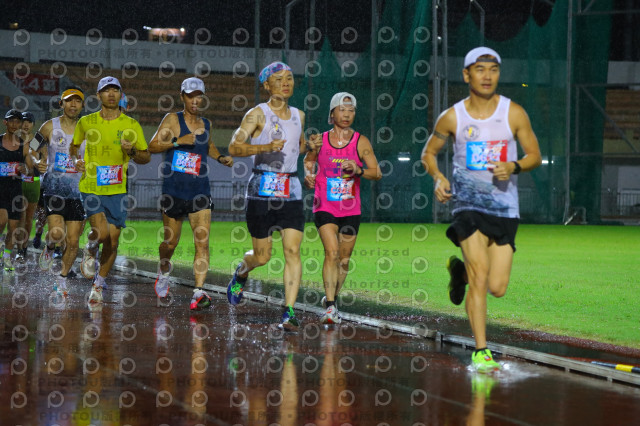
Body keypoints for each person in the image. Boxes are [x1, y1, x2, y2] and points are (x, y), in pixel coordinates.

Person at [421, 47, 541, 372]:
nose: (487, 76)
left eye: (493, 69)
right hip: (467, 206)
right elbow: (428, 153)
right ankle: (481, 351)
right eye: (480, 69)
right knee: (480, 276)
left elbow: (534, 155)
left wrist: (513, 166)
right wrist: (438, 177)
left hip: (503, 208)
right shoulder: (453, 117)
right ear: (466, 74)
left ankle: (458, 272)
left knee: (497, 287)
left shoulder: (514, 113)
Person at [226, 61, 320, 330]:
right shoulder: (257, 114)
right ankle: (241, 272)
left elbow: (297, 148)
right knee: (262, 256)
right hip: (261, 189)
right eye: (278, 79)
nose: (286, 83)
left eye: (289, 78)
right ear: (266, 85)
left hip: (291, 189)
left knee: (292, 250)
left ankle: (289, 311)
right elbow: (234, 147)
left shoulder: (299, 115)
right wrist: (265, 146)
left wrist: (309, 148)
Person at [148, 77, 233, 310]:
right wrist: (177, 141)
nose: (194, 100)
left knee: (202, 242)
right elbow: (152, 146)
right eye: (190, 96)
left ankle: (198, 291)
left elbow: (208, 145)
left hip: (200, 191)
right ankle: (163, 269)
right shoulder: (172, 119)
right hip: (174, 191)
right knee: (170, 243)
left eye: (198, 96)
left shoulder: (206, 123)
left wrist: (220, 157)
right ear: (182, 97)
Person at [70, 76, 150, 305]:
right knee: (102, 233)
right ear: (99, 95)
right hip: (91, 186)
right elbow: (74, 146)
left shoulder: (131, 125)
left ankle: (98, 284)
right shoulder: (86, 122)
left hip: (117, 189)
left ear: (120, 94)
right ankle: (91, 246)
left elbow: (145, 156)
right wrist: (75, 160)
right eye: (106, 90)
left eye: (115, 90)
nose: (111, 94)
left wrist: (132, 151)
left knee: (113, 242)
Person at [303, 92, 381, 324]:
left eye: (351, 110)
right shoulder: (320, 139)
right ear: (332, 113)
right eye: (342, 109)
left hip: (350, 208)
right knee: (332, 252)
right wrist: (309, 175)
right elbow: (309, 160)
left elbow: (376, 172)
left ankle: (332, 300)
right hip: (324, 205)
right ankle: (329, 306)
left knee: (344, 260)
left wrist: (358, 170)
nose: (347, 114)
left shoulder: (360, 141)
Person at [34, 87, 87, 295]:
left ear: (82, 105)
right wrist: (38, 161)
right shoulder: (49, 126)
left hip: (77, 192)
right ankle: (49, 247)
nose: (73, 104)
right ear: (61, 104)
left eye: (77, 101)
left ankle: (62, 280)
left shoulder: (88, 130)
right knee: (56, 234)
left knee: (73, 242)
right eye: (69, 100)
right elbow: (31, 147)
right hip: (54, 189)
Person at [0, 109, 33, 271]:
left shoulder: (23, 145)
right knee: (1, 221)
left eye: (17, 121)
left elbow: (30, 170)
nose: (14, 124)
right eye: (11, 121)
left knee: (13, 227)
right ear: (5, 122)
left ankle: (6, 257)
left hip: (15, 190)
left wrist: (24, 169)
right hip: (0, 188)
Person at [17, 111, 41, 259]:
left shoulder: (37, 140)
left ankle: (24, 247)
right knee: (20, 216)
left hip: (33, 182)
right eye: (24, 121)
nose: (26, 124)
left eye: (29, 122)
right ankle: (19, 248)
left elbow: (35, 161)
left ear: (33, 124)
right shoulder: (14, 139)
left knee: (29, 218)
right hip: (18, 182)